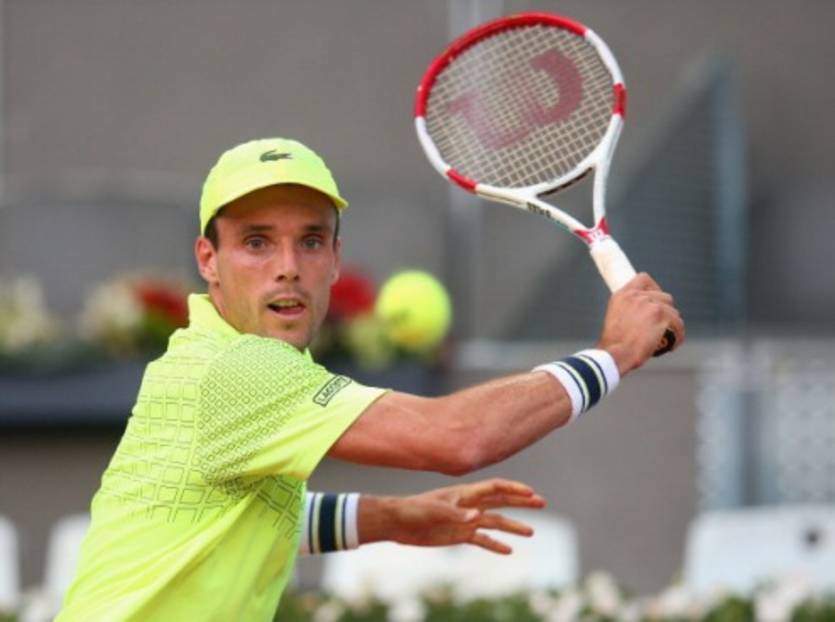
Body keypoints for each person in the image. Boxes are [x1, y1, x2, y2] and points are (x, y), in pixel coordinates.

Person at [58, 138, 684, 621]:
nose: (287, 267)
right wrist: (612, 355)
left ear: (335, 260)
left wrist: (392, 518)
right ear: (208, 260)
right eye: (256, 242)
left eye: (310, 242)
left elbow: (239, 519)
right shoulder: (239, 370)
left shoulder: (209, 358)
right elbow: (458, 438)